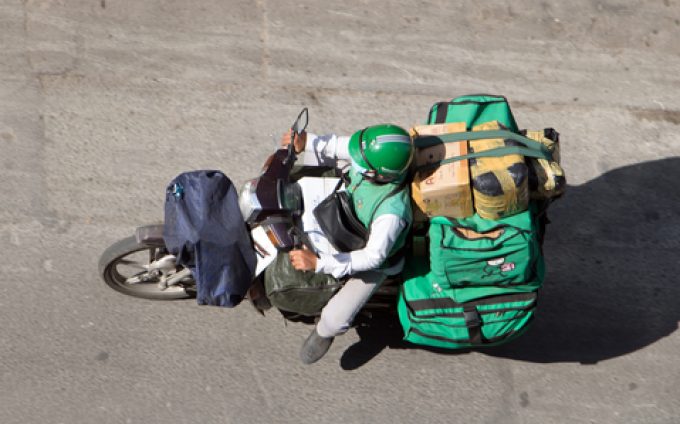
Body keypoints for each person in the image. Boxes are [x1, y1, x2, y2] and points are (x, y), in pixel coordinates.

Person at [281, 124, 414, 364]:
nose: (356, 162)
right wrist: (306, 142)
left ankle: (324, 333)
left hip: (372, 258)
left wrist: (320, 263)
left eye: (363, 166)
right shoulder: (368, 156)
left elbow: (373, 257)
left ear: (380, 175)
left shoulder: (392, 213)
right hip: (347, 211)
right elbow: (338, 147)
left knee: (335, 317)